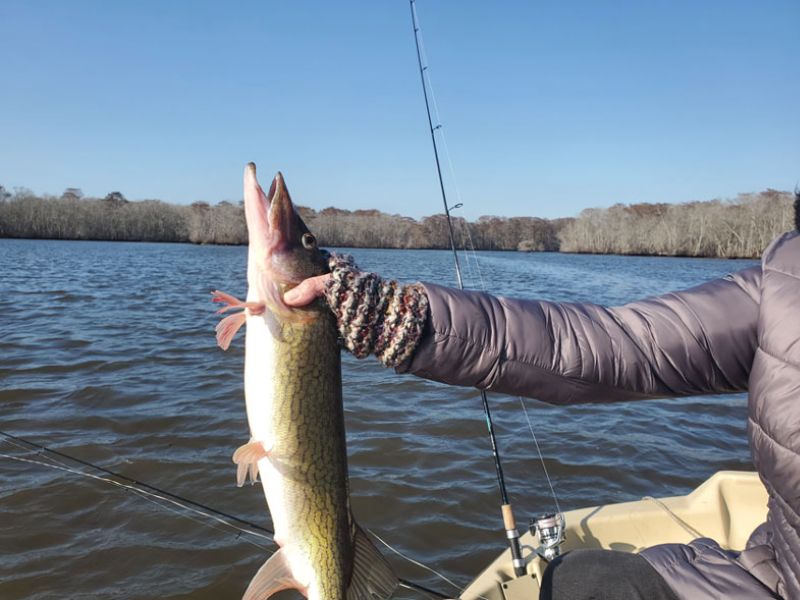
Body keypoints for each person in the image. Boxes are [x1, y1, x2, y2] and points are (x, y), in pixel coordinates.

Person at [283, 194, 800, 600]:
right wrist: (395, 314)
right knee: (577, 579)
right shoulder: (784, 286)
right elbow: (617, 345)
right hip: (775, 576)